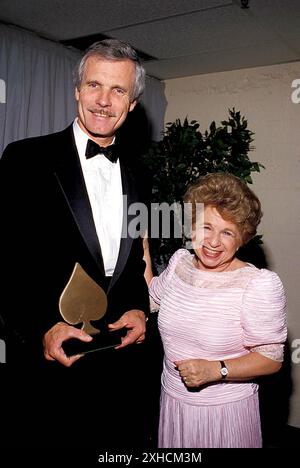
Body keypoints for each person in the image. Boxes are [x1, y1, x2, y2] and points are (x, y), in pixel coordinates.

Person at [0, 39, 154, 447]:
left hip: (119, 368)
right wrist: (38, 331)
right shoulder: (24, 159)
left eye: (118, 90)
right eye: (94, 86)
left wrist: (139, 308)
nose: (104, 101)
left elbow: (135, 261)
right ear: (77, 90)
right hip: (49, 366)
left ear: (133, 102)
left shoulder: (139, 174)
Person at [148, 172, 287, 448]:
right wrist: (138, 245)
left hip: (225, 414)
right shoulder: (179, 264)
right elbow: (152, 298)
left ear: (242, 239)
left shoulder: (258, 284)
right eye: (206, 228)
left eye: (227, 232)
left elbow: (272, 359)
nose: (213, 242)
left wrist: (216, 370)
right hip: (174, 404)